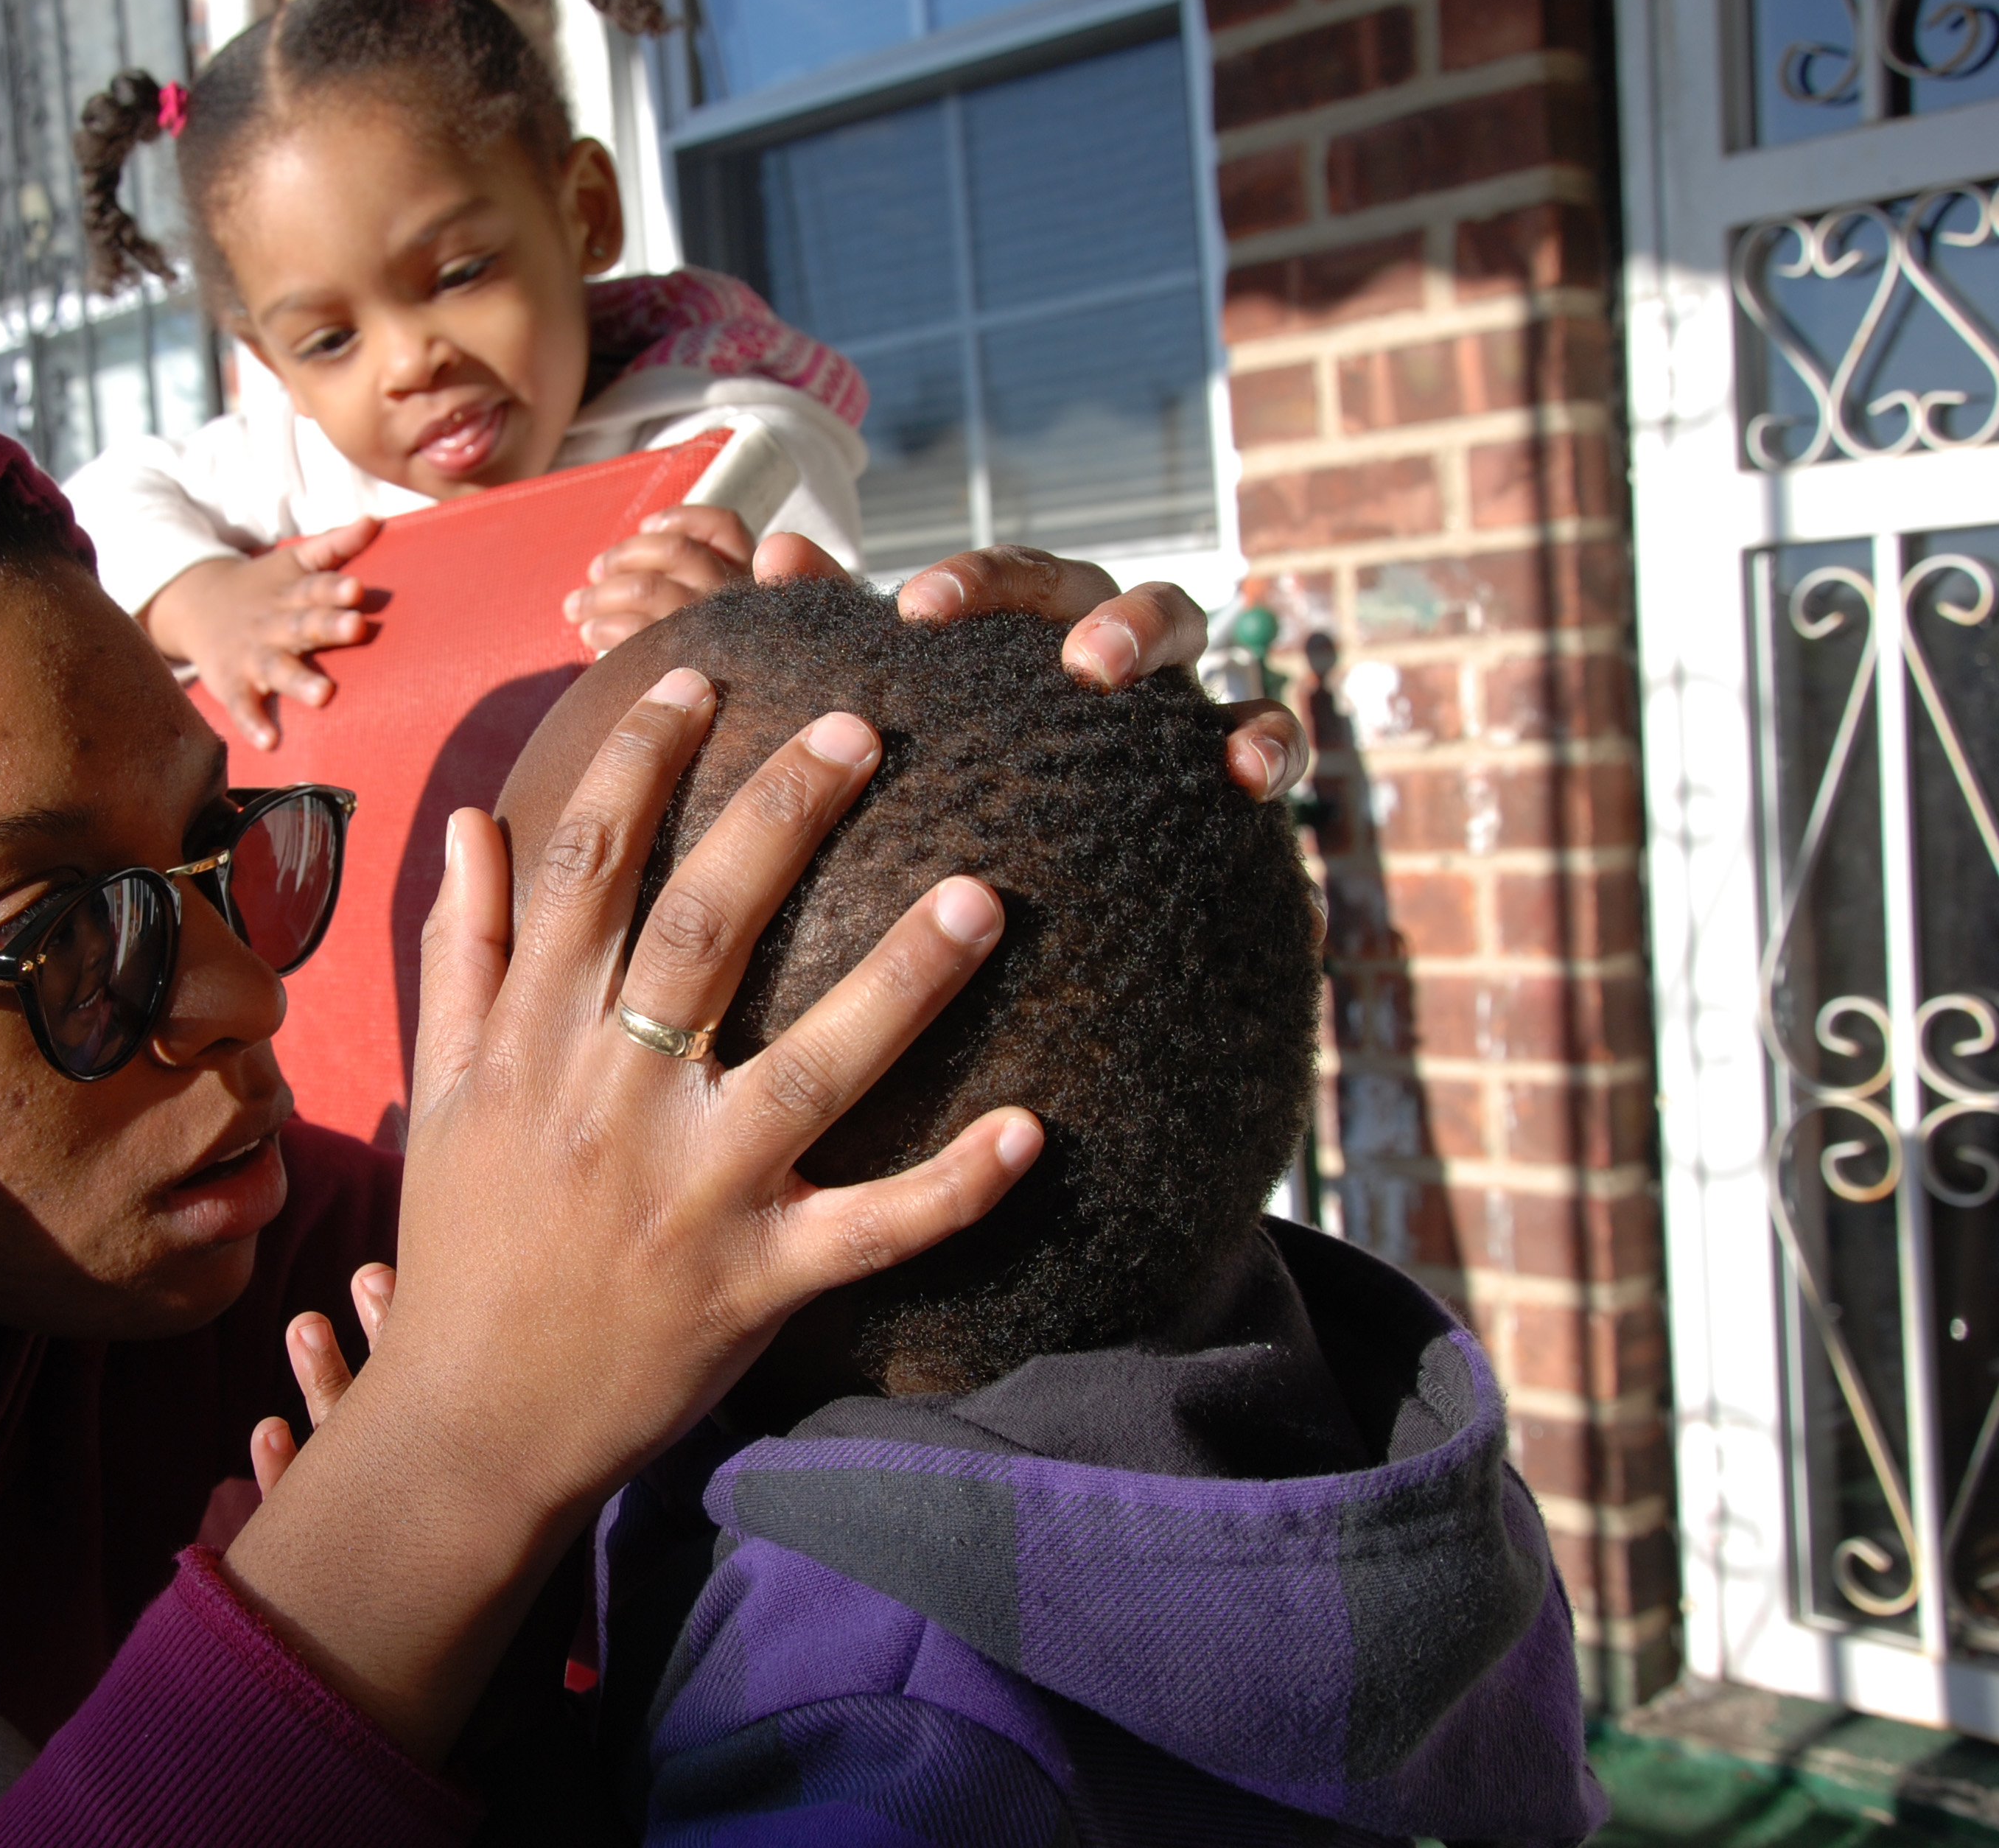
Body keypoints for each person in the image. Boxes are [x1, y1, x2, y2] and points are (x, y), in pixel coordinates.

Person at [0, 326, 1305, 1847]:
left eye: (216, 849)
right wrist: (437, 1469)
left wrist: (1017, 866)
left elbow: (812, 1336)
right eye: (58, 944)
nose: (238, 997)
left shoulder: (237, 1239)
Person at [461, 581, 1611, 1845]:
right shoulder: (1344, 1398)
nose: (461, 1074)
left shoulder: (876, 1743)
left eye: (507, 987)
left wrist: (479, 1723)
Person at [64, 0, 870, 746]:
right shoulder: (297, 466)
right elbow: (95, 504)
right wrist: (201, 598)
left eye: (460, 274)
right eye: (330, 341)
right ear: (276, 368)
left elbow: (865, 702)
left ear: (585, 213)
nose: (410, 362)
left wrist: (743, 642)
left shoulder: (733, 454)